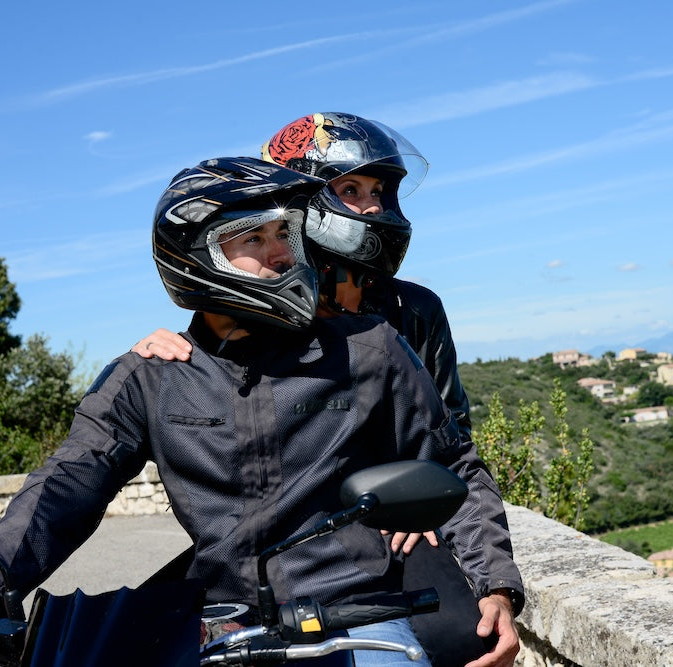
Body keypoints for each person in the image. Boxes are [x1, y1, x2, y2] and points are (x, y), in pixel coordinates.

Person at [0, 157, 521, 667]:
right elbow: (69, 482)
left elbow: (452, 465)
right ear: (196, 257)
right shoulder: (154, 377)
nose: (281, 253)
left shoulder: (368, 349)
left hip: (355, 613)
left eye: (285, 234)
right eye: (254, 239)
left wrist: (495, 583)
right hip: (220, 628)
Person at [133, 113, 522, 667]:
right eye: (349, 190)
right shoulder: (257, 301)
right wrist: (171, 347)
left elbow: (451, 441)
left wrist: (425, 508)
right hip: (282, 533)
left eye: (378, 192)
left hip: (390, 519)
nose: (371, 207)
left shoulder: (414, 310)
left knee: (466, 637)